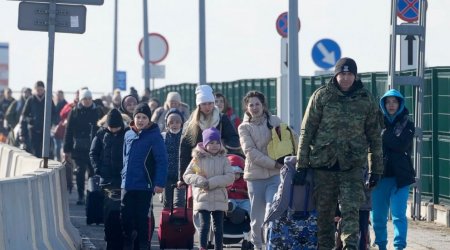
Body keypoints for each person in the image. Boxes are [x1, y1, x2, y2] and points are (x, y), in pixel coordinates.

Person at [295, 57, 383, 249]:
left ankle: (350, 247)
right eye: (342, 74)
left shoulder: (365, 99)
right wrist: (301, 165)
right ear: (335, 75)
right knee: (325, 217)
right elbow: (307, 131)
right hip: (323, 167)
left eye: (350, 74)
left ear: (355, 76)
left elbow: (375, 137)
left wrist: (376, 169)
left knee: (351, 213)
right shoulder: (322, 96)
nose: (345, 78)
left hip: (352, 167)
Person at [237, 90, 284, 250]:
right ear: (246, 108)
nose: (255, 107)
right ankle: (257, 245)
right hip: (255, 177)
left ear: (263, 105)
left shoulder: (275, 121)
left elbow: (289, 139)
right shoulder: (244, 127)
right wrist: (274, 164)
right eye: (251, 105)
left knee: (272, 211)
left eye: (258, 104)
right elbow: (250, 152)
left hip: (275, 176)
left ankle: (271, 244)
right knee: (256, 218)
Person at [371, 89, 415, 250]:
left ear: (400, 104)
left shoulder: (407, 123)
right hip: (379, 177)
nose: (391, 105)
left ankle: (399, 246)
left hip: (401, 178)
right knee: (378, 217)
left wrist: (383, 135)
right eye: (388, 102)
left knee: (398, 216)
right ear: (383, 104)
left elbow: (401, 145)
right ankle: (381, 245)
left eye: (394, 102)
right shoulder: (375, 122)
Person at [121, 103, 168, 250]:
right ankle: (129, 240)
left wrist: (159, 183)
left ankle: (143, 244)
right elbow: (124, 157)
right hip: (127, 184)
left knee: (142, 218)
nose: (140, 120)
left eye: (144, 117)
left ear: (149, 119)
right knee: (125, 216)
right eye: (138, 117)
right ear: (133, 118)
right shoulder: (128, 134)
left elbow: (162, 161)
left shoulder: (155, 136)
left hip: (144, 185)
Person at [178, 85, 240, 191]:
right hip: (199, 170)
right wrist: (181, 178)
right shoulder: (191, 123)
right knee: (200, 203)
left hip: (218, 168)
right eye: (204, 104)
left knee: (218, 202)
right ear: (199, 105)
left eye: (210, 103)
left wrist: (219, 146)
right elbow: (184, 150)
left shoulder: (222, 119)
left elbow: (234, 140)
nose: (208, 107)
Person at [183, 127, 234, 250]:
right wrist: (200, 181)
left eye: (217, 142)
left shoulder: (224, 159)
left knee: (218, 227)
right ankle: (203, 247)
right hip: (203, 197)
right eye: (211, 143)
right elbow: (187, 175)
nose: (215, 145)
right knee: (204, 226)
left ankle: (218, 247)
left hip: (219, 197)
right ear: (205, 144)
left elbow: (230, 177)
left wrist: (211, 182)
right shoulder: (197, 159)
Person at [89, 108, 127, 250]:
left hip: (123, 180)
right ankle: (111, 240)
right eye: (111, 127)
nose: (113, 130)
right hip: (107, 180)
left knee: (122, 212)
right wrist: (98, 169)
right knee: (109, 211)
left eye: (116, 127)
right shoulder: (100, 135)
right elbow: (93, 153)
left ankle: (121, 241)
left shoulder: (127, 134)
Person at [63, 88, 103, 205]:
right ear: (81, 99)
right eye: (85, 99)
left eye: (89, 98)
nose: (87, 101)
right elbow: (68, 131)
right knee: (79, 172)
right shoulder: (74, 112)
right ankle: (81, 195)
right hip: (78, 149)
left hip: (94, 147)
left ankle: (91, 195)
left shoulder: (98, 111)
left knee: (93, 173)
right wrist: (67, 149)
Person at [19, 81, 57, 157]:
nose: (39, 91)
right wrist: (22, 132)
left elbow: (54, 114)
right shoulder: (31, 100)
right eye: (37, 89)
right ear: (35, 90)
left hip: (45, 131)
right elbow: (23, 116)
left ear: (44, 89)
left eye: (41, 89)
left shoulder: (48, 100)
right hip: (33, 130)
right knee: (34, 150)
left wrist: (51, 124)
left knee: (45, 150)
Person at [161, 108, 185, 208]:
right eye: (171, 122)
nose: (174, 125)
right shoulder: (163, 136)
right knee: (167, 202)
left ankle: (179, 221)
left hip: (181, 174)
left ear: (181, 123)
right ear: (167, 124)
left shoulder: (185, 136)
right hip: (167, 174)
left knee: (180, 202)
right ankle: (167, 221)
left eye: (177, 122)